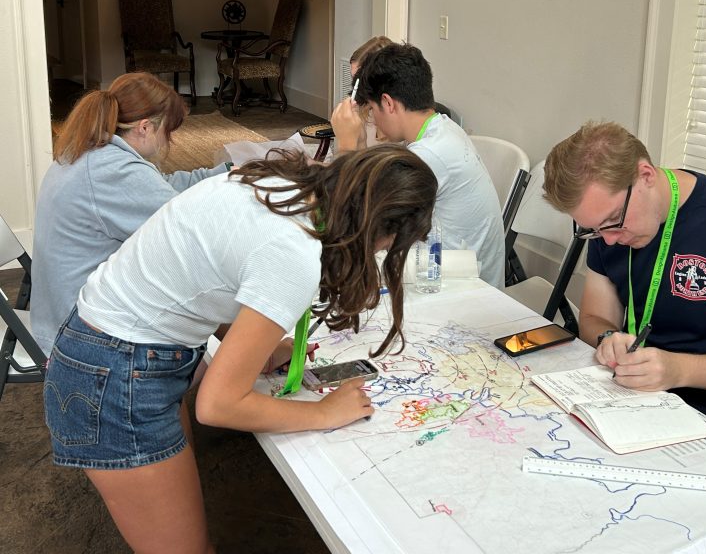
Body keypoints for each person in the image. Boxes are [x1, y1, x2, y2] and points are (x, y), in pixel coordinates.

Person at [43, 145, 436, 554]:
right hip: (117, 377)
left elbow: (207, 267)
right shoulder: (293, 252)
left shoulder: (277, 186)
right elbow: (217, 406)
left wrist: (248, 343)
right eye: (388, 245)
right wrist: (323, 412)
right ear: (380, 230)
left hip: (106, 346)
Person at [543, 120, 706, 447]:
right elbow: (593, 319)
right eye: (594, 230)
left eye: (612, 222)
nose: (609, 239)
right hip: (636, 393)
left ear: (645, 175)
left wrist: (678, 371)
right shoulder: (608, 227)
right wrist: (609, 339)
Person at [32, 72, 229, 356]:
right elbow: (189, 227)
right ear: (146, 128)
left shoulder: (91, 151)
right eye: (167, 132)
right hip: (81, 331)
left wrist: (228, 174)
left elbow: (162, 186)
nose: (167, 142)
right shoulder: (115, 170)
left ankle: (243, 358)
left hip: (61, 311)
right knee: (193, 287)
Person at [333, 43, 504, 288]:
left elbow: (353, 222)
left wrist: (347, 146)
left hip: (462, 289)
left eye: (371, 110)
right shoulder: (443, 128)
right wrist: (359, 147)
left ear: (388, 103)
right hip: (452, 271)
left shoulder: (428, 154)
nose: (373, 120)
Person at [331, 35, 394, 150]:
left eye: (359, 81)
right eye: (353, 80)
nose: (357, 89)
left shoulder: (400, 121)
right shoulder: (361, 110)